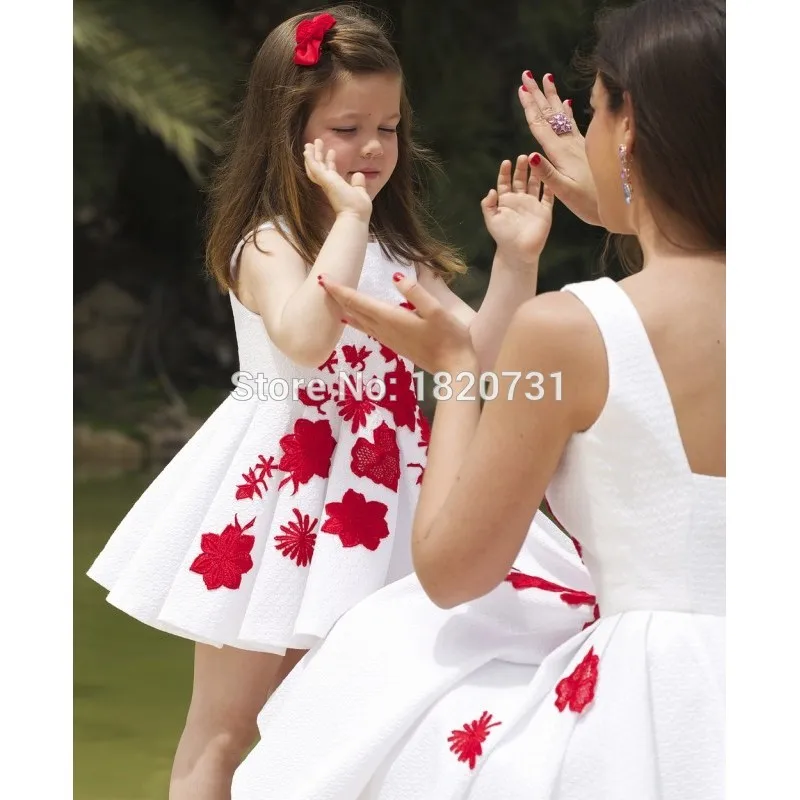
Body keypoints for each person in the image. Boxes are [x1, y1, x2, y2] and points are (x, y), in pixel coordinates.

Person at [230, 0, 725, 798]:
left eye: (592, 110)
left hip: (649, 704)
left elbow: (454, 571)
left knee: (360, 706)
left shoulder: (572, 329)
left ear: (627, 129)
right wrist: (617, 203)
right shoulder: (272, 240)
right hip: (299, 493)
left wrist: (458, 370)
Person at [86, 5, 556, 798]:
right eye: (347, 127)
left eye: (388, 127)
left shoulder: (393, 248)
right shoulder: (265, 241)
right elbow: (305, 337)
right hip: (287, 495)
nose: (372, 148)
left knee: (348, 724)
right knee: (227, 729)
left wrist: (515, 263)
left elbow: (477, 357)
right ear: (290, 131)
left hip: (388, 495)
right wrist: (349, 215)